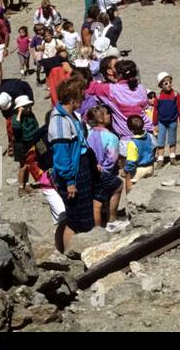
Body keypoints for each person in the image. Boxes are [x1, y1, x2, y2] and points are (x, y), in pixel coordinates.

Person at [47, 76, 96, 252]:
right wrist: (69, 181)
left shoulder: (70, 115)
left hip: (81, 168)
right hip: (73, 174)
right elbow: (62, 155)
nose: (83, 100)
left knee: (79, 215)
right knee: (77, 219)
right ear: (73, 98)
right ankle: (71, 253)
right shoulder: (59, 121)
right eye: (81, 97)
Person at [84, 101, 126, 232]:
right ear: (101, 119)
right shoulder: (111, 137)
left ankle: (100, 222)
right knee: (117, 185)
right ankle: (112, 220)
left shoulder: (87, 135)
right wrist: (105, 169)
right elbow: (112, 158)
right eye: (107, 114)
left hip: (90, 170)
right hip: (104, 171)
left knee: (97, 197)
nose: (110, 116)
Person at [152, 71, 180, 164]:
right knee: (160, 141)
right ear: (161, 85)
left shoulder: (175, 94)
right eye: (165, 83)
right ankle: (160, 159)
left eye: (170, 82)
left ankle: (172, 157)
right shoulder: (158, 96)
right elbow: (155, 110)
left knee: (172, 139)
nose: (168, 85)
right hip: (161, 122)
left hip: (172, 121)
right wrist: (155, 123)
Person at [121, 114, 156, 195]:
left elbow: (131, 160)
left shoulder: (132, 143)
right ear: (143, 124)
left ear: (130, 128)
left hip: (137, 170)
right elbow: (154, 147)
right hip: (150, 167)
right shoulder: (150, 136)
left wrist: (126, 170)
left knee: (132, 190)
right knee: (147, 190)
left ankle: (129, 203)